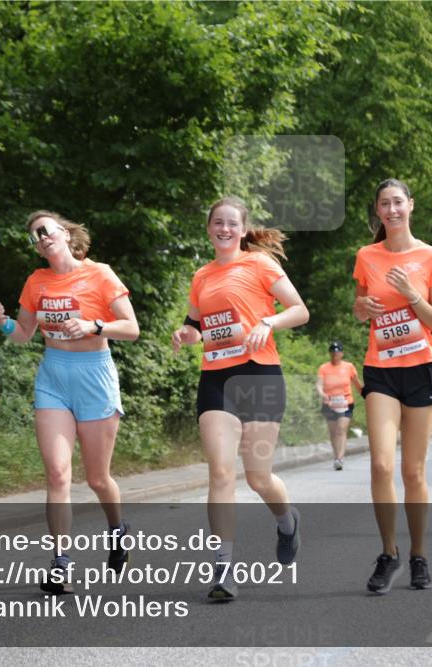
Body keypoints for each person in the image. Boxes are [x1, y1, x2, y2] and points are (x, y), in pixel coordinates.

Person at [0, 210, 140, 594]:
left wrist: (94, 325)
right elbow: (23, 335)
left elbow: (132, 329)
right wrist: (2, 321)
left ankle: (118, 531)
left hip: (94, 377)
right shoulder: (36, 281)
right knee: (57, 475)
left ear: (66, 234)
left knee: (98, 478)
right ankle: (61, 563)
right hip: (53, 377)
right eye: (34, 237)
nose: (40, 238)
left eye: (45, 231)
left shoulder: (100, 274)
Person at [171, 196, 309, 602]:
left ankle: (287, 522)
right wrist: (186, 335)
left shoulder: (260, 265)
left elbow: (299, 310)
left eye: (232, 223)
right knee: (219, 472)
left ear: (244, 230)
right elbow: (196, 324)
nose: (224, 228)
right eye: (218, 222)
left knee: (258, 477)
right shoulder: (201, 276)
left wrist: (269, 321)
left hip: (260, 375)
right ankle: (224, 567)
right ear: (209, 227)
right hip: (216, 378)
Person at [353, 178, 432, 594]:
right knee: (380, 464)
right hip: (381, 369)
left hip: (420, 369)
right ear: (378, 211)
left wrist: (412, 295)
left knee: (412, 470)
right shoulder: (366, 256)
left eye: (398, 202)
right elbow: (359, 310)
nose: (392, 210)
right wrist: (362, 307)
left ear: (410, 205)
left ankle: (419, 555)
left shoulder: (431, 257)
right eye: (384, 204)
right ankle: (389, 552)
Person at [316, 341, 363, 470]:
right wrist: (322, 393)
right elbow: (319, 384)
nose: (334, 355)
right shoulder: (324, 368)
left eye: (337, 353)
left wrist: (366, 394)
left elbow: (357, 383)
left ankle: (340, 459)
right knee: (333, 432)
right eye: (332, 353)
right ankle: (336, 455)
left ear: (341, 353)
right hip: (329, 403)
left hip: (345, 402)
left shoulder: (348, 367)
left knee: (341, 429)